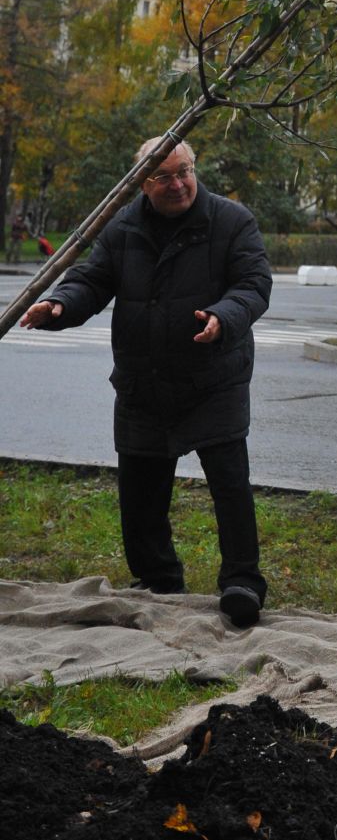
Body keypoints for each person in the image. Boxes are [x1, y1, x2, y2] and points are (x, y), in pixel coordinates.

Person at [20, 137, 272, 627]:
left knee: (230, 487)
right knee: (140, 495)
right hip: (143, 382)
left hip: (212, 379)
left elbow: (253, 284)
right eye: (164, 176)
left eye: (185, 171)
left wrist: (224, 317)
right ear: (142, 182)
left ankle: (243, 582)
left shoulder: (231, 221)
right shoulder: (124, 226)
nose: (177, 183)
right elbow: (92, 280)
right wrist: (59, 306)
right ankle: (157, 579)